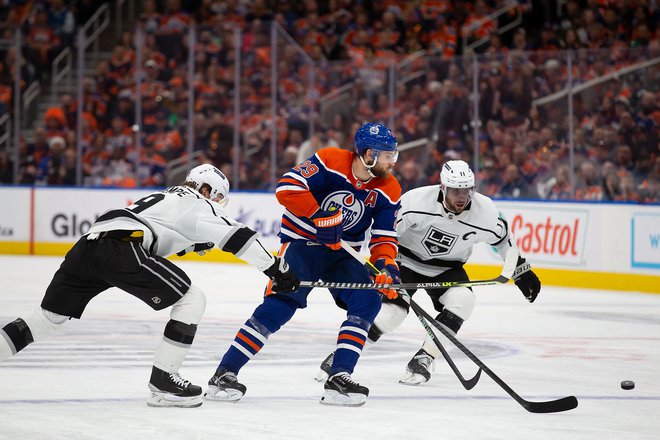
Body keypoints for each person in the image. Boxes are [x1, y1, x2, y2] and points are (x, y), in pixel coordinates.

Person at [0, 164, 299, 408]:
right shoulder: (197, 203)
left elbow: (166, 231)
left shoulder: (168, 197)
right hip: (121, 247)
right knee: (192, 299)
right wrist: (276, 268)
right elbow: (239, 236)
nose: (216, 205)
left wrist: (192, 243)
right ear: (206, 190)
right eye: (217, 198)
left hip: (89, 244)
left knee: (47, 317)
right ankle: (163, 381)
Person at [203, 122, 402, 407]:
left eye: (393, 156)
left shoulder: (389, 188)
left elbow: (384, 235)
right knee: (279, 305)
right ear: (368, 154)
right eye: (387, 156)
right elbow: (287, 187)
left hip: (344, 255)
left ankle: (339, 376)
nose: (391, 162)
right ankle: (225, 373)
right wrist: (320, 215)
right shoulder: (331, 160)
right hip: (302, 245)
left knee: (367, 301)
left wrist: (386, 267)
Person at [316, 160, 541, 385]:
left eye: (467, 190)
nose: (462, 197)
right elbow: (386, 234)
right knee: (391, 316)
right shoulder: (415, 202)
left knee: (463, 300)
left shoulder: (487, 213)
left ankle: (425, 358)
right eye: (455, 190)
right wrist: (383, 265)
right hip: (405, 262)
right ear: (443, 187)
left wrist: (521, 270)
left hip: (449, 268)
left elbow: (504, 241)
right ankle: (341, 357)